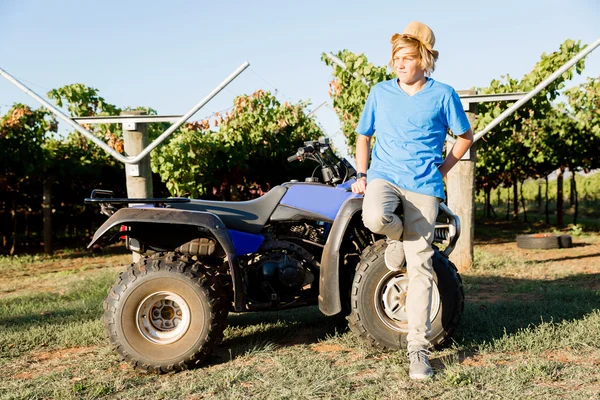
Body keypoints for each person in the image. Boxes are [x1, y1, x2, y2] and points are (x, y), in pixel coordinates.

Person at [350, 21, 473, 380]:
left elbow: (464, 136)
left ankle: (418, 348)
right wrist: (362, 175)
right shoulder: (380, 92)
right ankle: (395, 237)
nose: (400, 64)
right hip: (384, 176)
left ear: (425, 60)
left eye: (407, 57)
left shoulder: (443, 94)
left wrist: (445, 168)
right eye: (396, 59)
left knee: (420, 268)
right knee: (373, 217)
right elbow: (363, 136)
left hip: (424, 185)